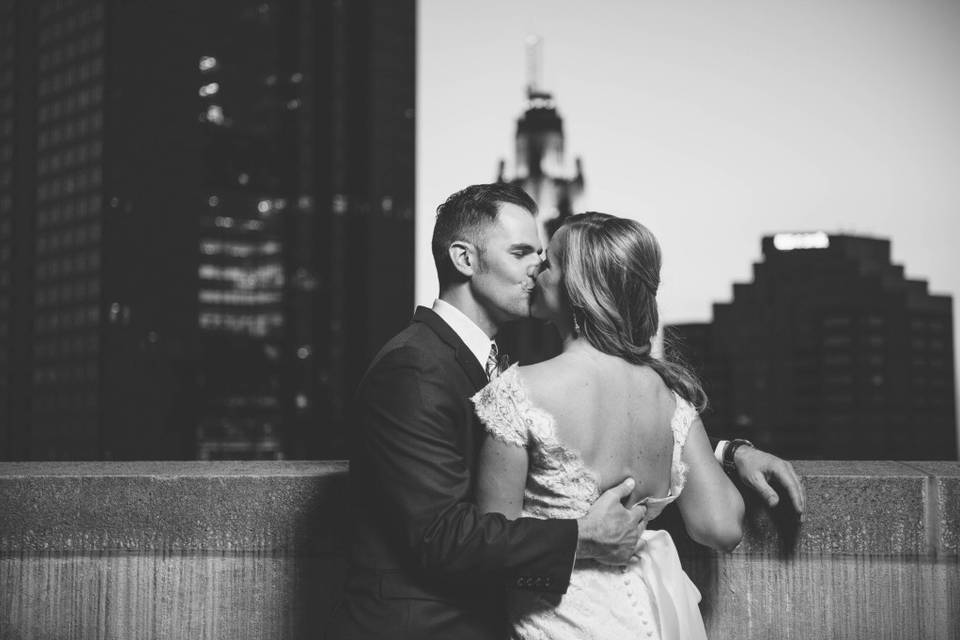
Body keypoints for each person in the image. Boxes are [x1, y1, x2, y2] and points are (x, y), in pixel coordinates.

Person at [328, 184, 649, 640]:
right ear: (464, 259)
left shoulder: (485, 363)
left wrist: (725, 454)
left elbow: (573, 444)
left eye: (540, 254)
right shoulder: (414, 367)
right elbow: (440, 537)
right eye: (520, 252)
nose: (538, 267)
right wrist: (582, 536)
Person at [472, 212, 746, 639]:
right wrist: (733, 454)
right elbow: (720, 526)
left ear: (576, 284)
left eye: (549, 263)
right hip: (647, 622)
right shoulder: (669, 397)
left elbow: (490, 552)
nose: (537, 270)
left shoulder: (517, 392)